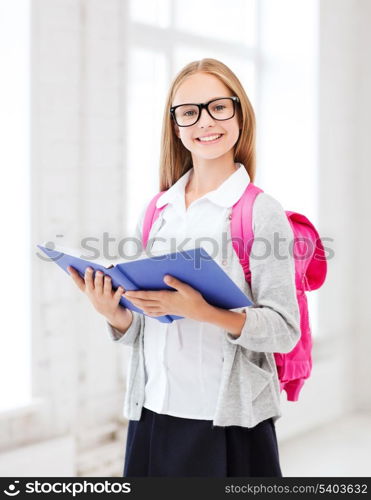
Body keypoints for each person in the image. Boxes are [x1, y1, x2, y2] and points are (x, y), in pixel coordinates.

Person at [68, 58, 301, 477]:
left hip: (227, 424)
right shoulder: (159, 210)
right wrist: (115, 314)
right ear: (175, 126)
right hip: (153, 414)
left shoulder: (260, 213)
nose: (205, 122)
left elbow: (284, 331)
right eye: (189, 111)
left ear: (239, 113)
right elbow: (149, 322)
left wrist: (205, 312)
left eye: (218, 107)